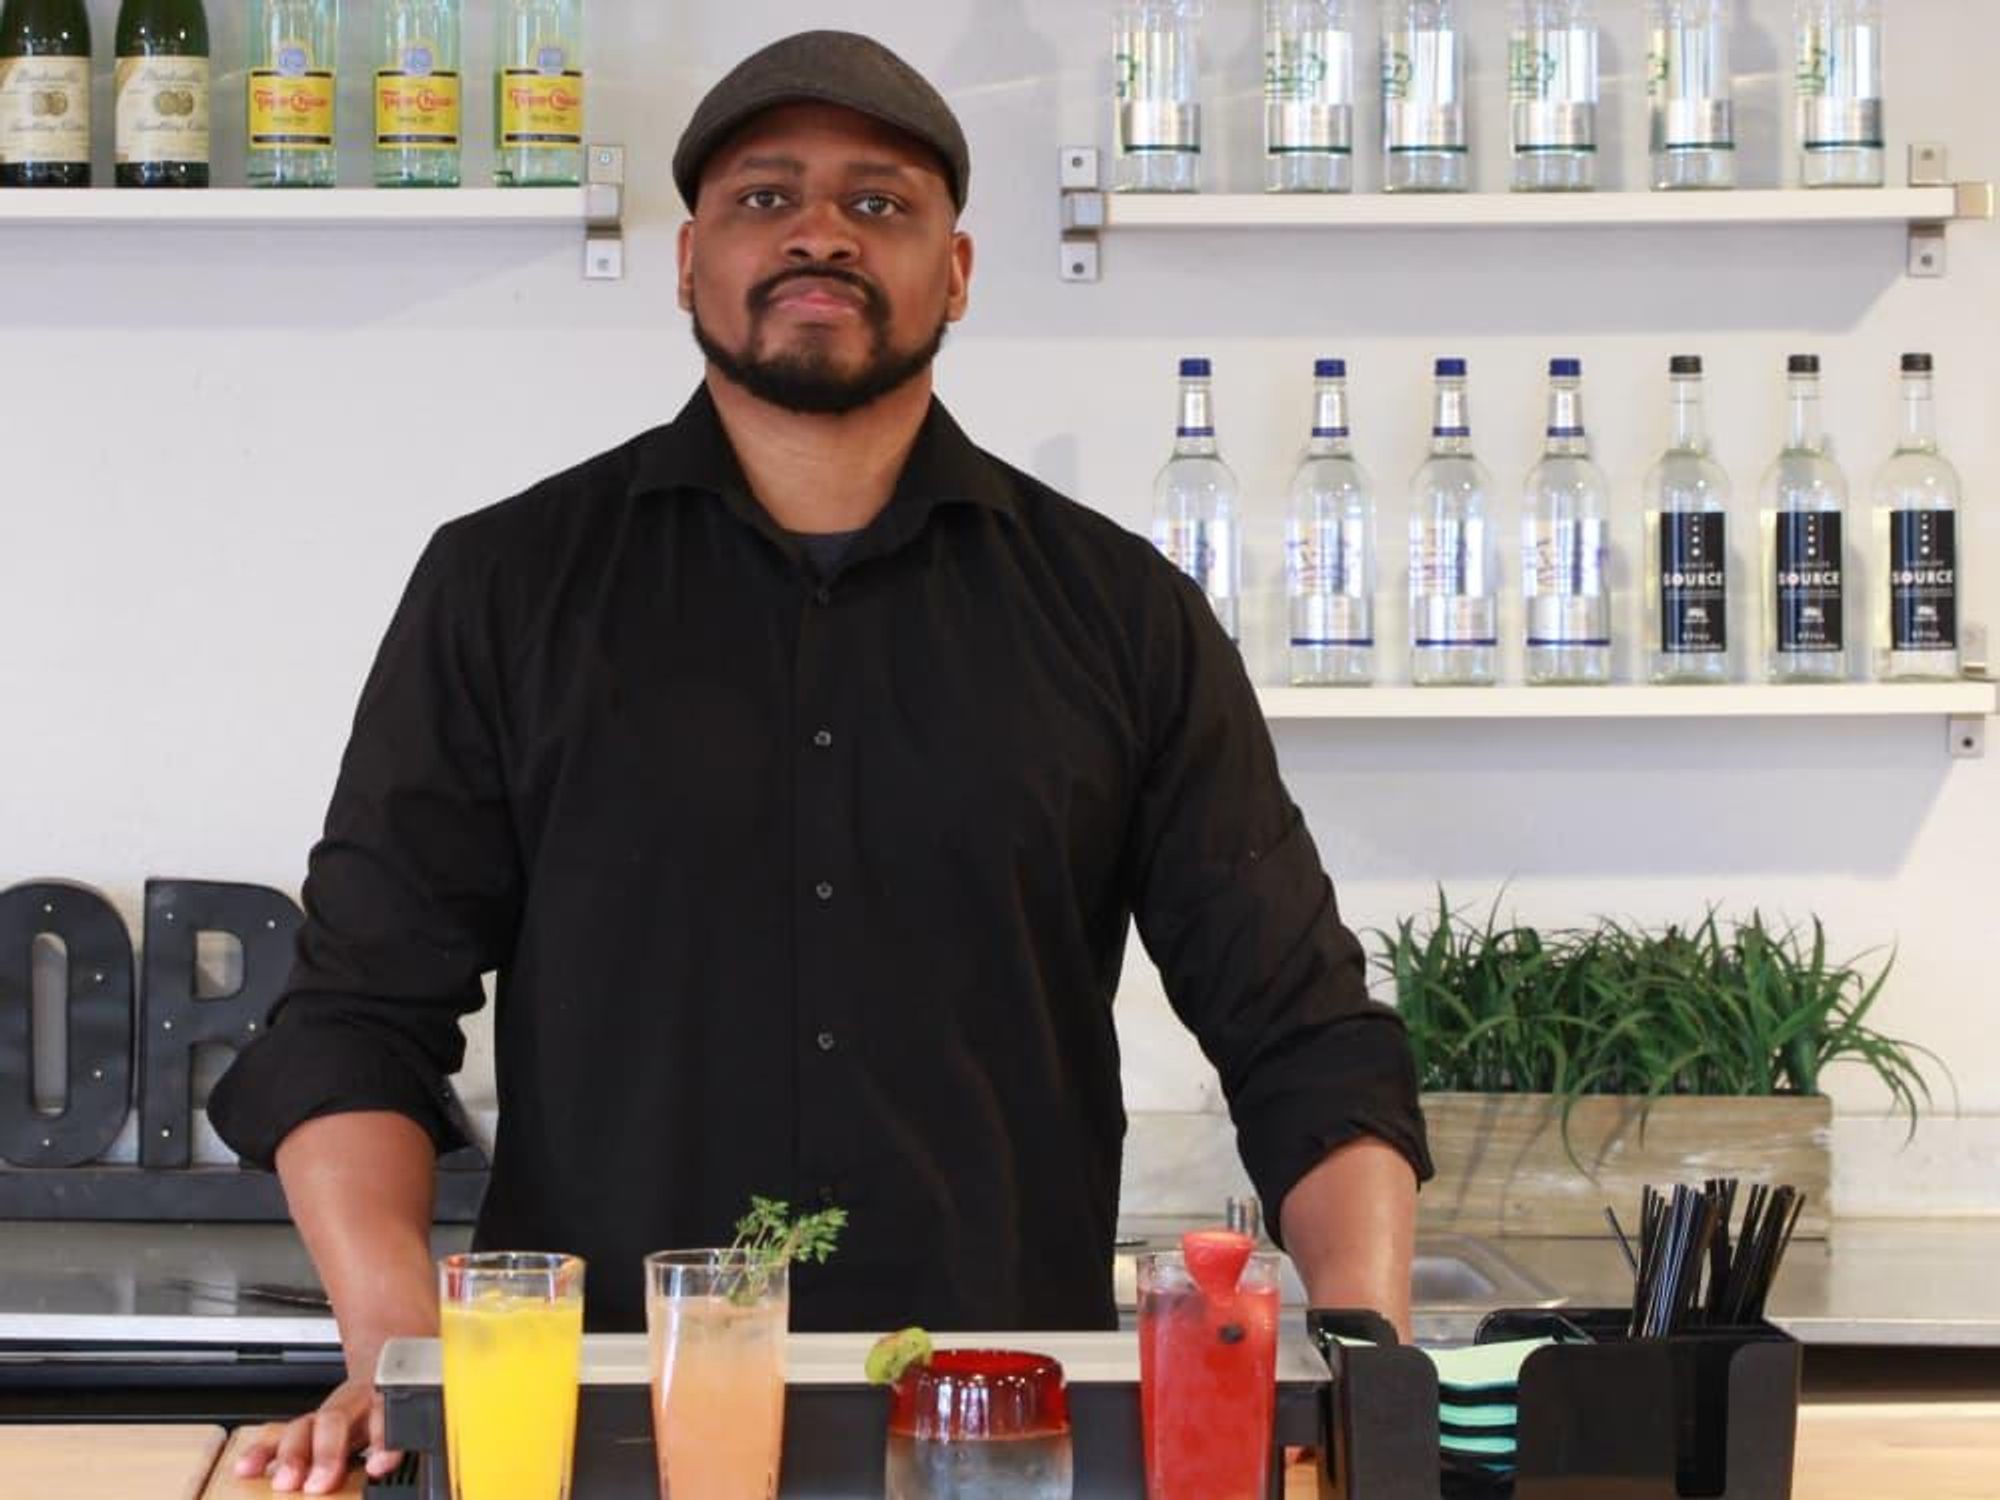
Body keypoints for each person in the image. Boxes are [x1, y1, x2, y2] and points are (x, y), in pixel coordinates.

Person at [213, 29, 1433, 1495]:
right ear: (689, 263)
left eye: (878, 202)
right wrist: (399, 1365)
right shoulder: (504, 589)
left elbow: (1306, 1038)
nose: (819, 232)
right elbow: (357, 1014)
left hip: (1002, 1445)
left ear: (957, 272)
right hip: (593, 1450)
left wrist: (1370, 1368)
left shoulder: (1122, 616)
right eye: (764, 195)